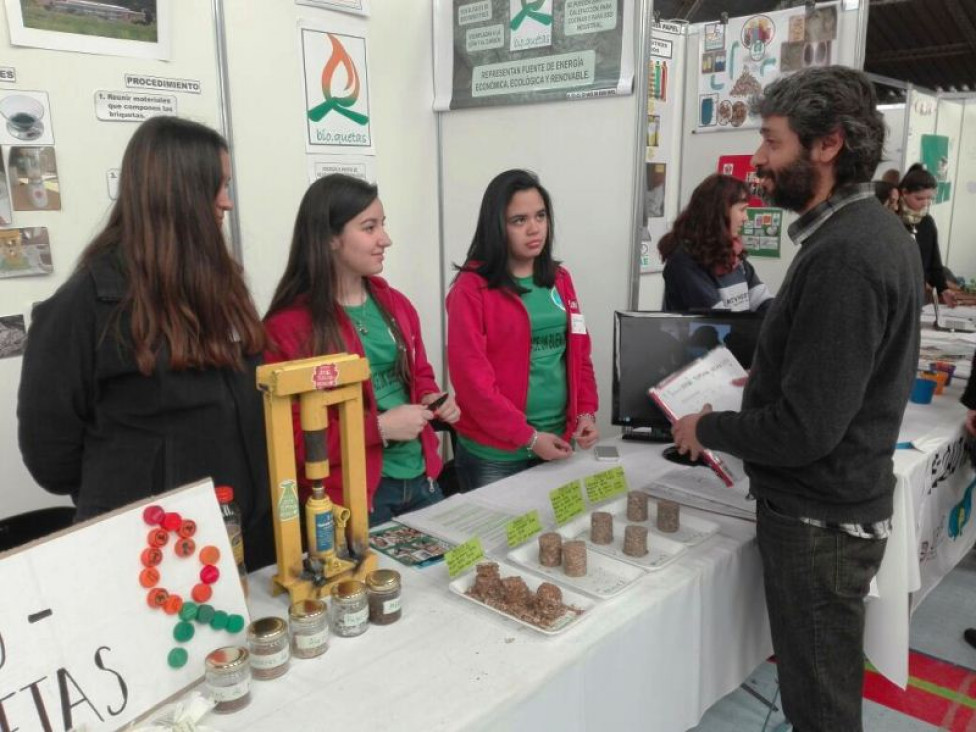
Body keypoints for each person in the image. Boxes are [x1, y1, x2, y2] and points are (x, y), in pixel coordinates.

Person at [671, 66, 922, 731]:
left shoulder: (845, 255)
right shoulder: (868, 235)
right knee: (823, 690)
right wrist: (780, 377)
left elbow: (806, 430)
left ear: (828, 145)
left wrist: (709, 426)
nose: (758, 160)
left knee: (822, 707)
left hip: (819, 524)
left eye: (773, 143)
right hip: (831, 510)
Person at [17, 116, 274, 569]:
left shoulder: (221, 289)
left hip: (241, 546)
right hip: (152, 558)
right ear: (175, 195)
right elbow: (51, 456)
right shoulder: (87, 305)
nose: (227, 202)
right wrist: (132, 482)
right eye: (216, 187)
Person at [263, 174, 458, 525]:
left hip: (421, 480)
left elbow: (419, 376)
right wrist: (378, 428)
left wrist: (431, 398)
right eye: (369, 228)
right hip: (355, 497)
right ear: (330, 238)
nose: (386, 239)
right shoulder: (288, 328)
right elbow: (291, 442)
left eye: (383, 225)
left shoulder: (396, 305)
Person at [446, 169, 599, 492]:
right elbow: (473, 383)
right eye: (519, 220)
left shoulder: (560, 278)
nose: (534, 228)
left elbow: (579, 355)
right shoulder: (471, 289)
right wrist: (527, 438)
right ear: (496, 226)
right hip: (496, 454)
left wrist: (585, 413)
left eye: (540, 216)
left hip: (556, 440)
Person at [658, 173, 774, 312]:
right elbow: (717, 323)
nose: (746, 218)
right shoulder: (684, 262)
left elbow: (762, 300)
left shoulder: (733, 256)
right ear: (719, 212)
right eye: (742, 210)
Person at [899, 164, 956, 306]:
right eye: (919, 199)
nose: (925, 203)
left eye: (929, 198)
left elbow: (934, 263)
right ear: (904, 193)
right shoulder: (892, 219)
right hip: (895, 290)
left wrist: (943, 289)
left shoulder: (927, 222)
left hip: (917, 293)